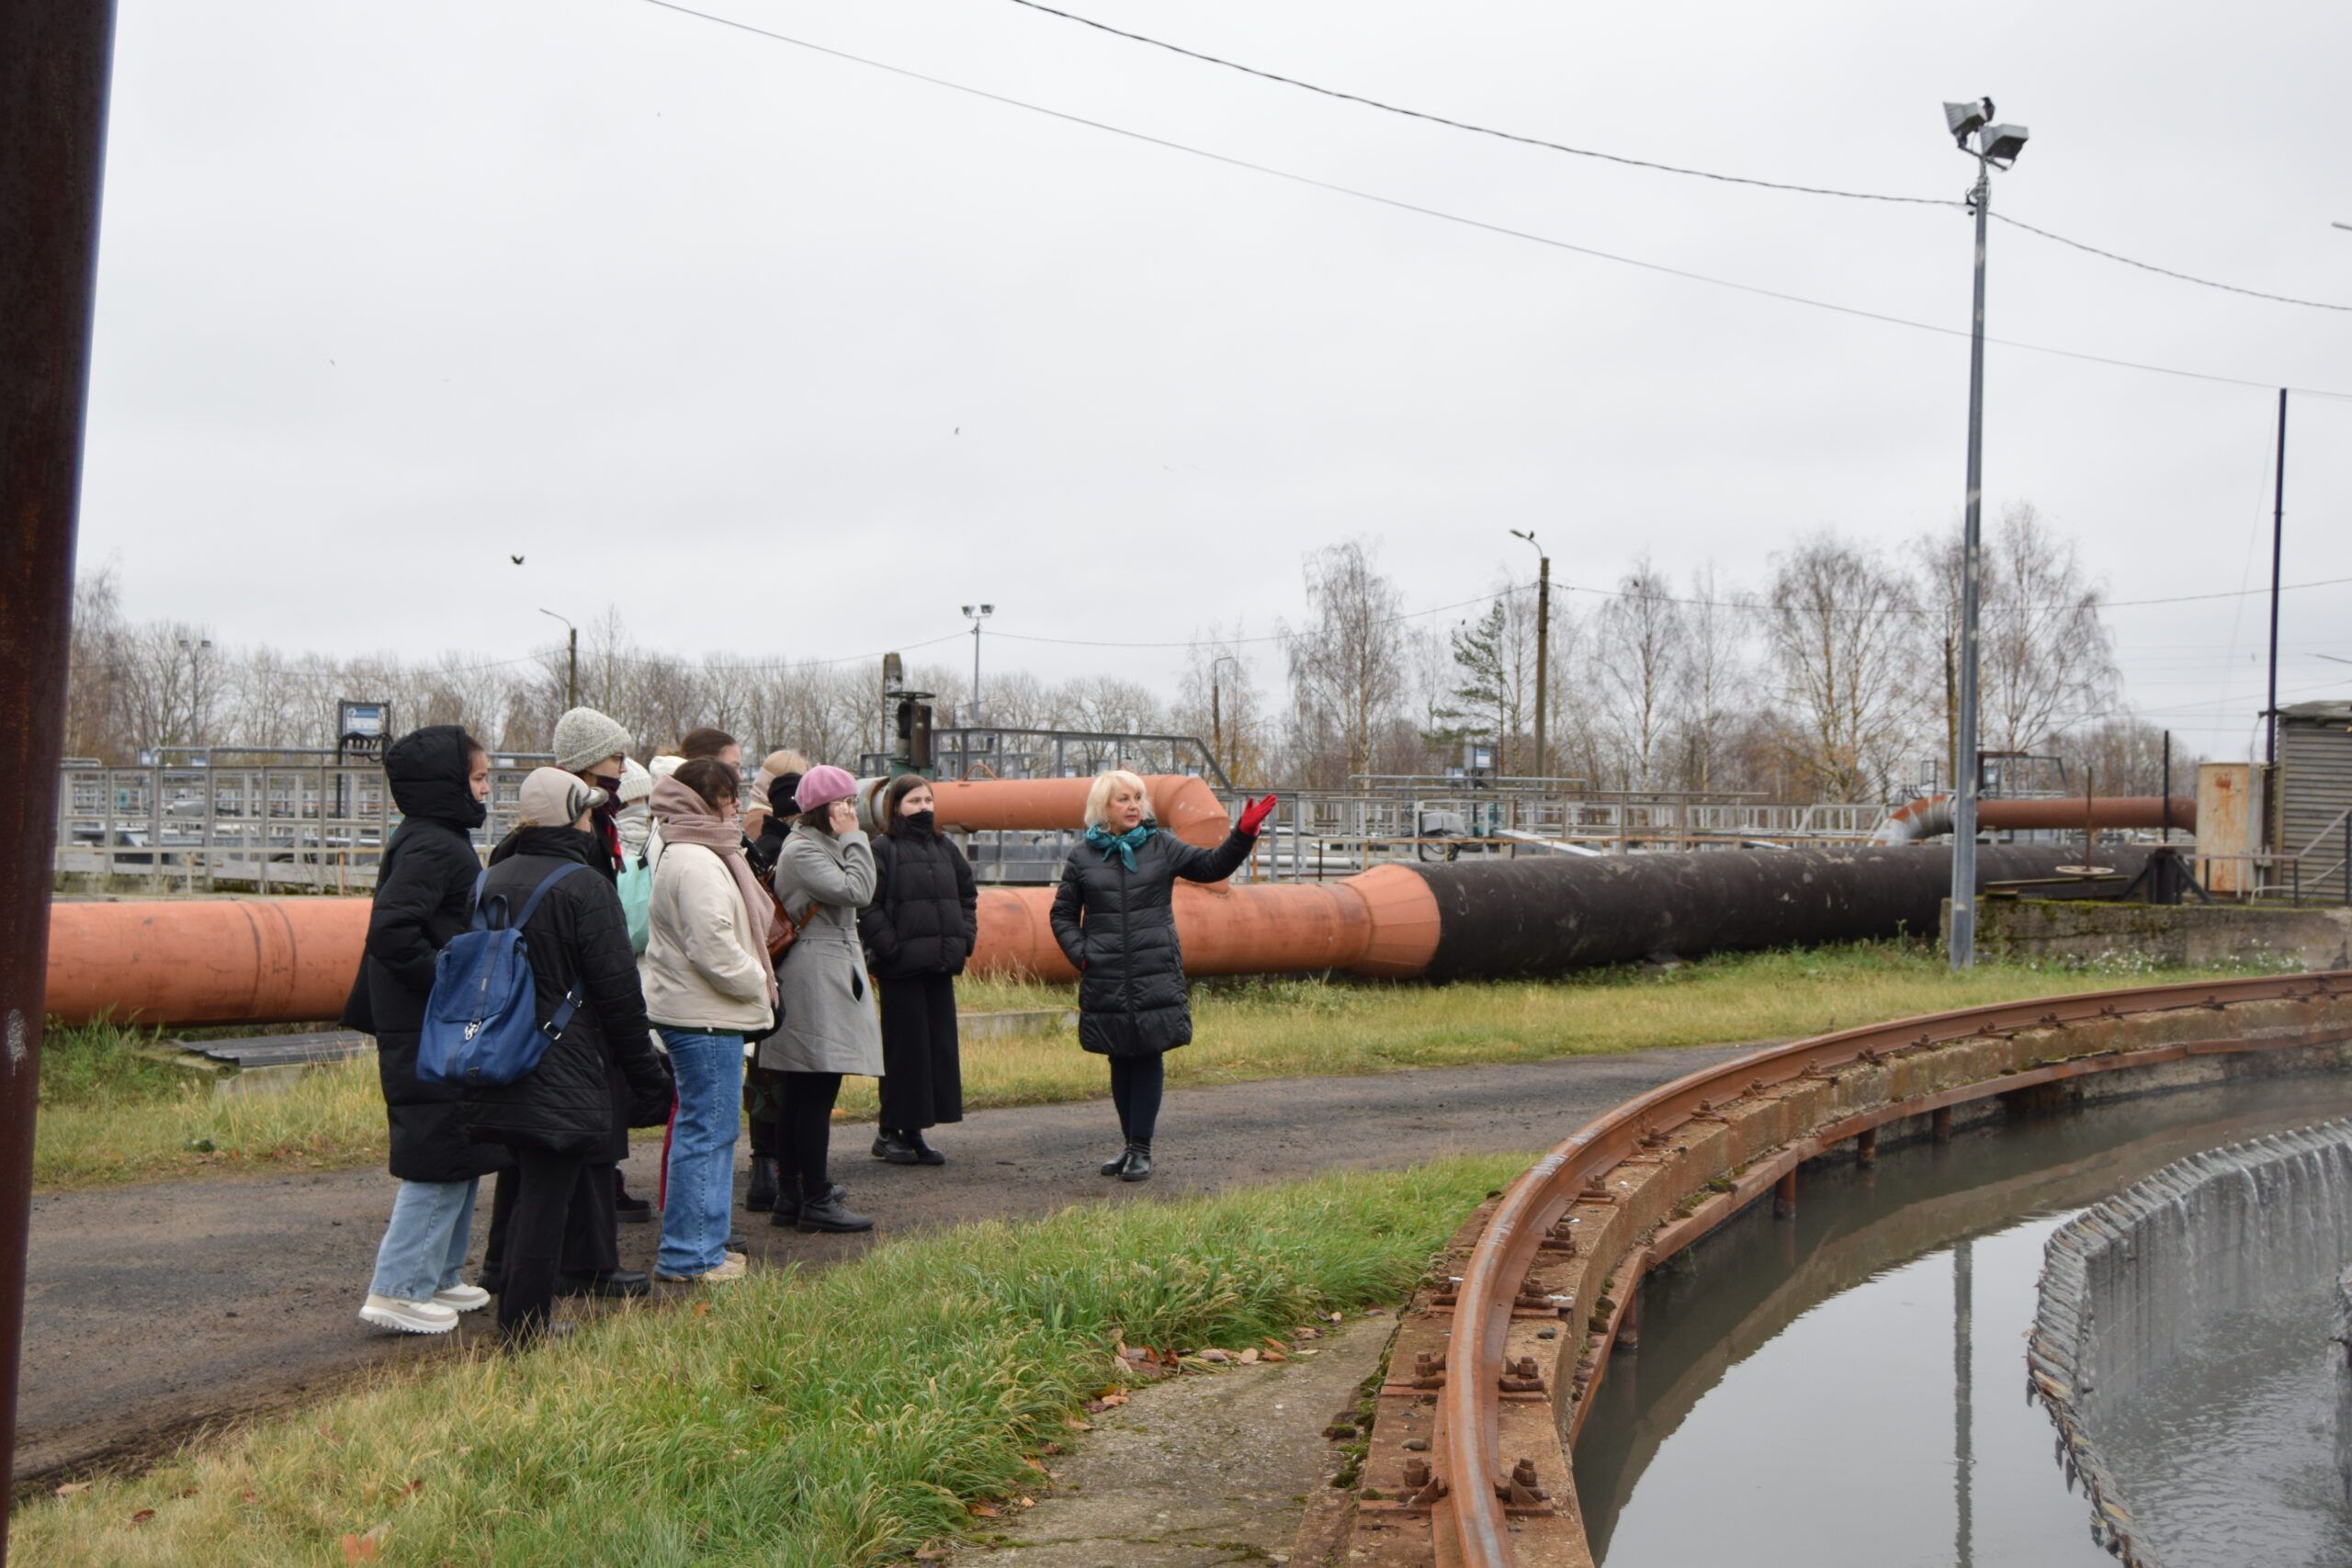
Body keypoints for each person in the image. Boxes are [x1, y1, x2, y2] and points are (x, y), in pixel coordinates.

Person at [457, 768, 673, 1344]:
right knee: (546, 1201)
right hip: (564, 1057)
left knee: (527, 1187)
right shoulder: (583, 883)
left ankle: (520, 1313)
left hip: (500, 1051)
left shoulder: (490, 877)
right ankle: (525, 1330)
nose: (594, 819)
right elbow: (618, 991)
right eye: (588, 809)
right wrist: (646, 1075)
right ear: (572, 814)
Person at [347, 726, 503, 1336]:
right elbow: (391, 930)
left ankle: (438, 1273)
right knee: (437, 1147)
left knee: (462, 1143)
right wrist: (451, 977)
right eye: (479, 776)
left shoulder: (435, 837)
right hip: (427, 1025)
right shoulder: (434, 845)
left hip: (436, 1024)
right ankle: (398, 1288)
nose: (488, 787)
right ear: (446, 783)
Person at [1049, 772, 1276, 1182]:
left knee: (1148, 1053)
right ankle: (1128, 1144)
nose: (1134, 805)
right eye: (1123, 799)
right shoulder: (1082, 857)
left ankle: (1141, 1149)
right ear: (1104, 807)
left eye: (1138, 797)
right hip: (1106, 973)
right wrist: (1082, 955)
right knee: (1119, 1057)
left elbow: (1211, 866)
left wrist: (1243, 834)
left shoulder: (1161, 846)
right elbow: (1063, 914)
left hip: (1154, 970)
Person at [643, 759, 774, 1283]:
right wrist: (760, 981)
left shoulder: (696, 850)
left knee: (711, 1132)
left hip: (702, 1014)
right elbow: (713, 948)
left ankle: (703, 1247)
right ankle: (690, 1255)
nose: (737, 806)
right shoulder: (697, 859)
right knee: (709, 1134)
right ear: (703, 802)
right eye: (728, 796)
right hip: (705, 1019)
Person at [760, 764, 881, 1233]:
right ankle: (816, 1196)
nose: (850, 812)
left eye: (852, 802)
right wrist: (857, 839)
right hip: (815, 976)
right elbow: (859, 890)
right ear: (818, 809)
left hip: (826, 971)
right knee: (813, 1093)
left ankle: (792, 1196)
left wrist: (848, 839)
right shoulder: (804, 850)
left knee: (805, 1093)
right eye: (842, 804)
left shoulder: (818, 845)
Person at [549, 705, 656, 1232]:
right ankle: (589, 1239)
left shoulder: (602, 829)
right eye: (616, 757)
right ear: (591, 764)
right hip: (579, 996)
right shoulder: (582, 835)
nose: (623, 766)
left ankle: (596, 1215)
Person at [858, 774, 978, 1167]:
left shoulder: (944, 848)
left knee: (933, 1054)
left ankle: (915, 1131)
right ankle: (889, 1132)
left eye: (928, 800)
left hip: (940, 966)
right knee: (904, 1054)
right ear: (895, 807)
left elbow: (967, 895)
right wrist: (890, 948)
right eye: (914, 801)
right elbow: (867, 905)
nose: (924, 807)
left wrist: (964, 939)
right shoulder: (882, 849)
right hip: (900, 971)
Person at [740, 750, 808, 1215]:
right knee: (792, 1074)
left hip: (760, 970)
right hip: (792, 970)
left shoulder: (752, 843)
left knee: (763, 1071)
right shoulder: (797, 849)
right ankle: (786, 1176)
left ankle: (763, 1173)